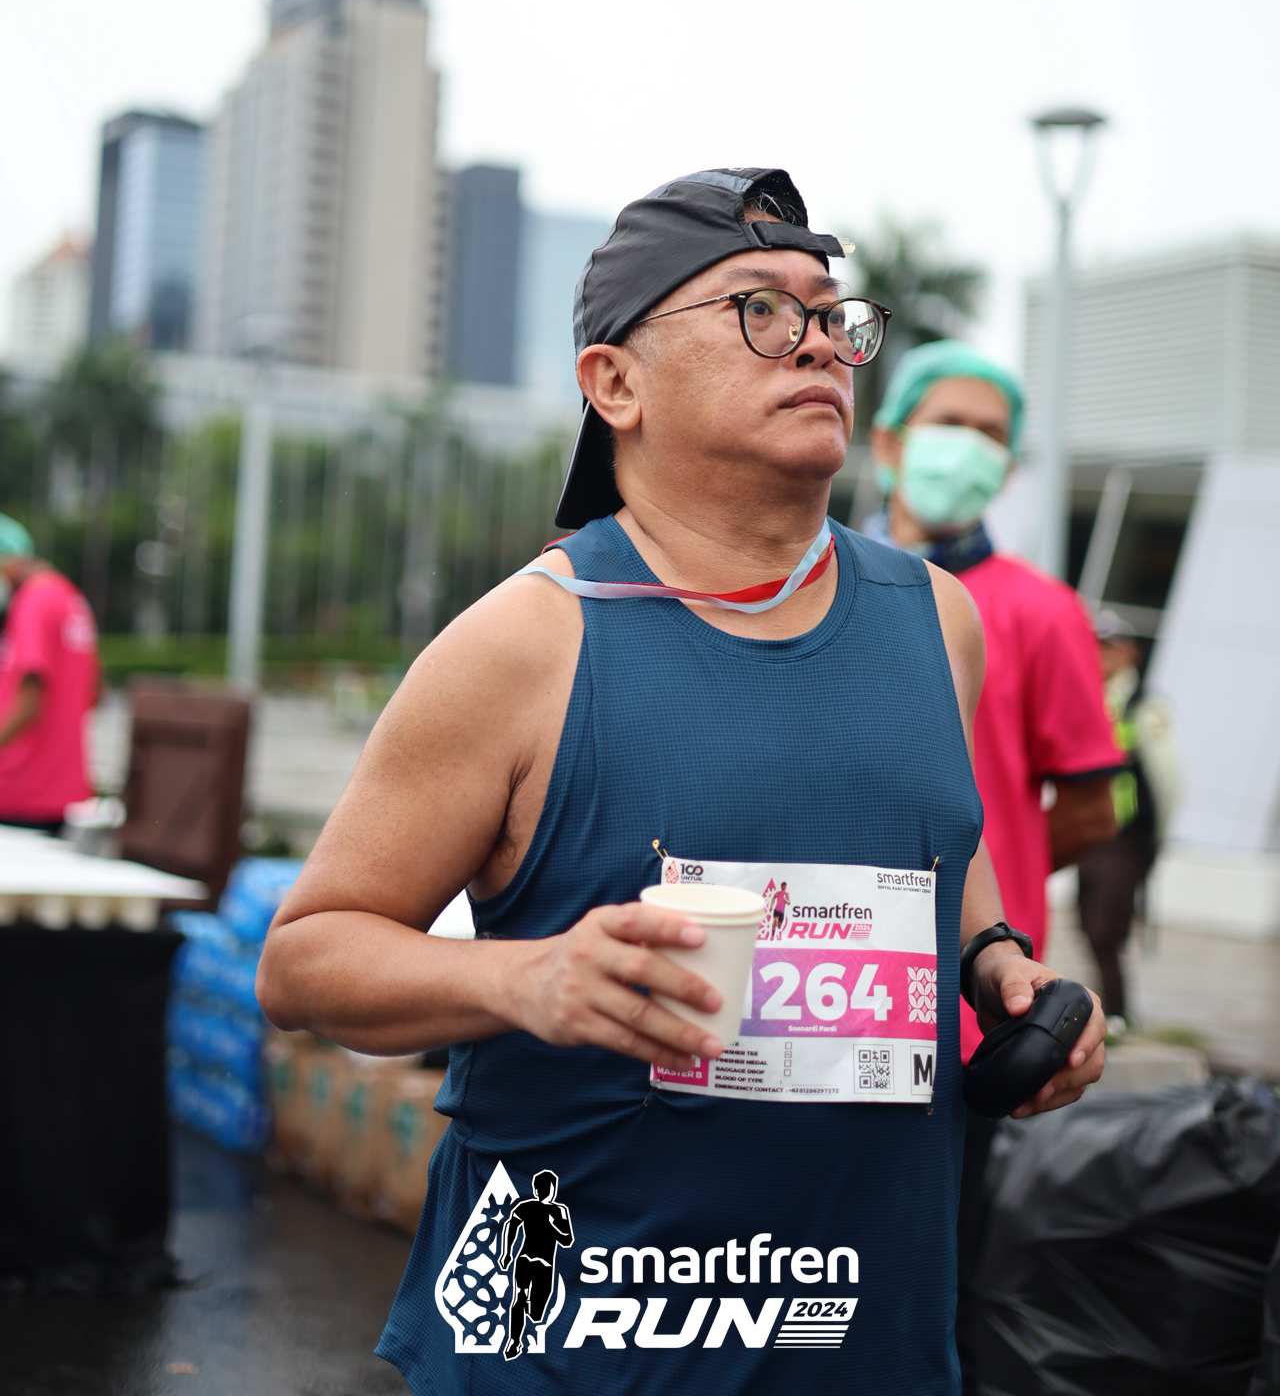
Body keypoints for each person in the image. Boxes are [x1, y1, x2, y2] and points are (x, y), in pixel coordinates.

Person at [258, 168, 1103, 1395]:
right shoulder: (527, 644)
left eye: (829, 314)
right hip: (580, 1349)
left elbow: (934, 836)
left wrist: (992, 961)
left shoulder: (935, 619)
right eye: (758, 309)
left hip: (866, 1338)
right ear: (615, 384)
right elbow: (304, 962)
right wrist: (524, 978)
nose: (815, 341)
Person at [867, 341, 1119, 1391]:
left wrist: (981, 889)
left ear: (1008, 467)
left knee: (939, 1279)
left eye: (987, 435)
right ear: (888, 443)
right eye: (946, 424)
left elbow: (1092, 807)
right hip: (833, 987)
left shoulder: (1042, 611)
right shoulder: (816, 587)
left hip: (975, 1005)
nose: (964, 448)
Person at [1077, 610, 1183, 1028]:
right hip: (1090, 833)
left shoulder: (1144, 707)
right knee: (1087, 920)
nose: (1101, 657)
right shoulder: (1091, 698)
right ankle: (1106, 1008)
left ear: (1130, 654)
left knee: (1106, 925)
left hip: (1124, 837)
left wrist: (1154, 841)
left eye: (1110, 648)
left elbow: (1167, 779)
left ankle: (1117, 1013)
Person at [0, 516, 100, 833]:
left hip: (22, 789)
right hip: (61, 788)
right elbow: (96, 691)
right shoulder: (70, 597)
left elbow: (29, 703)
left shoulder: (31, 603)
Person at [500, 1169, 575, 1361]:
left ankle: (528, 1310)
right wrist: (506, 1252)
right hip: (526, 1259)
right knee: (519, 1296)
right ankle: (514, 1341)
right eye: (543, 1187)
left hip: (545, 1265)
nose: (547, 1191)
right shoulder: (526, 1207)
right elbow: (511, 1225)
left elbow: (567, 1240)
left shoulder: (559, 1210)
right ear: (536, 1189)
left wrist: (552, 1226)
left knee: (536, 1312)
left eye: (549, 1187)